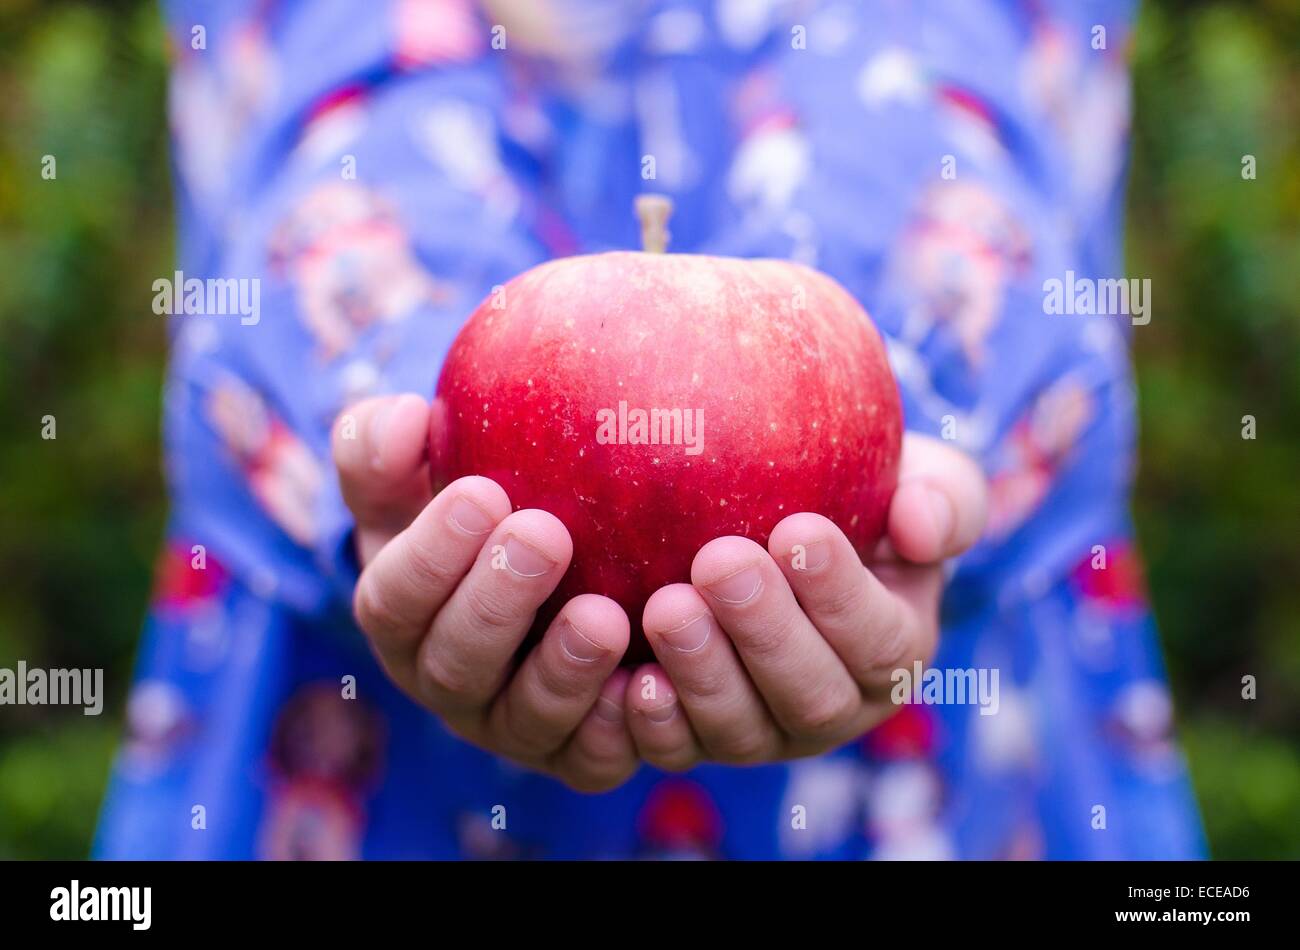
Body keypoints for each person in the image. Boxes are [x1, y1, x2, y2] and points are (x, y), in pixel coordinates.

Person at [95, 0, 1205, 859]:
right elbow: (339, 125)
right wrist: (412, 434)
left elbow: (937, 89)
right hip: (375, 744)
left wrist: (907, 420)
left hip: (941, 734)